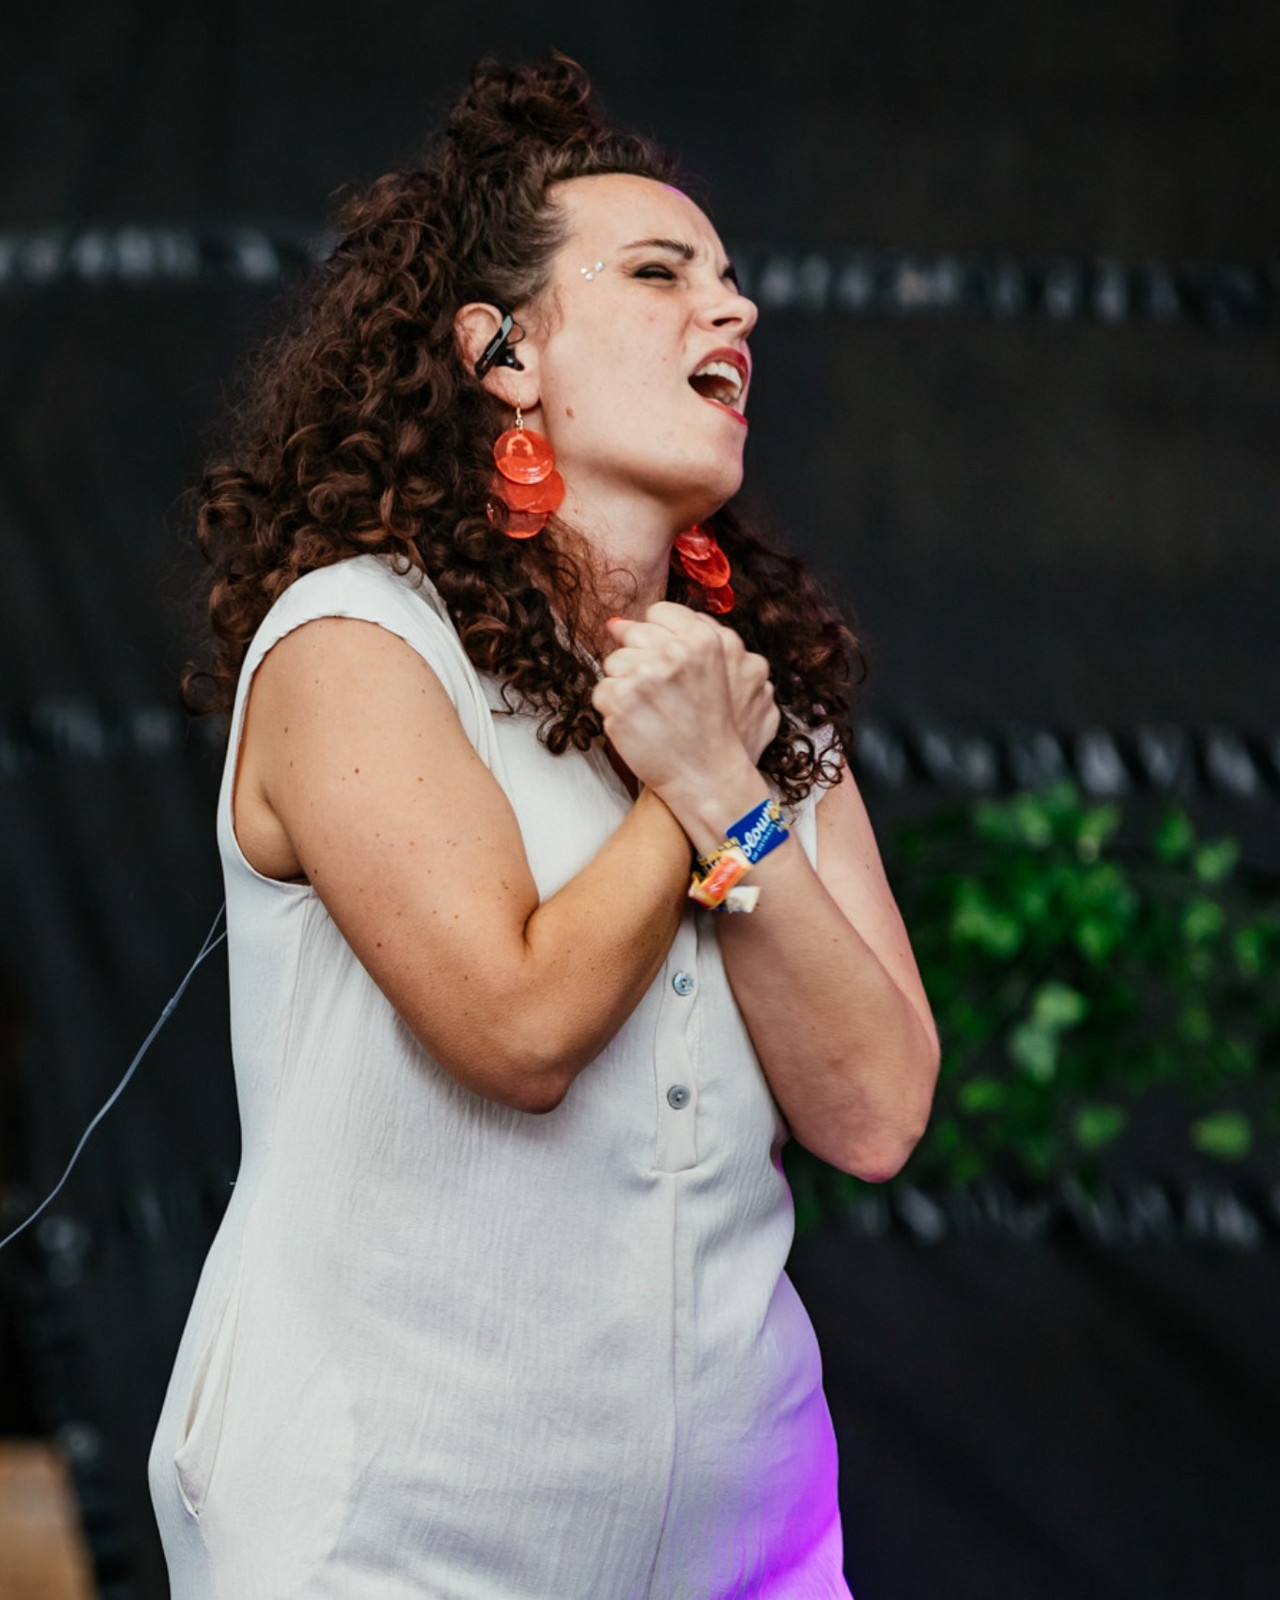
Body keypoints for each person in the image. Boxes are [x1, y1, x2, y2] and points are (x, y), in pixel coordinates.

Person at [149, 52, 939, 1600]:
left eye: (732, 280)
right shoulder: (357, 639)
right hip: (387, 1540)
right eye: (661, 273)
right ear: (501, 355)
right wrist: (690, 788)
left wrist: (728, 783)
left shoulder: (749, 702)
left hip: (749, 1546)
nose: (736, 313)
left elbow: (874, 1111)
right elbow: (515, 1026)